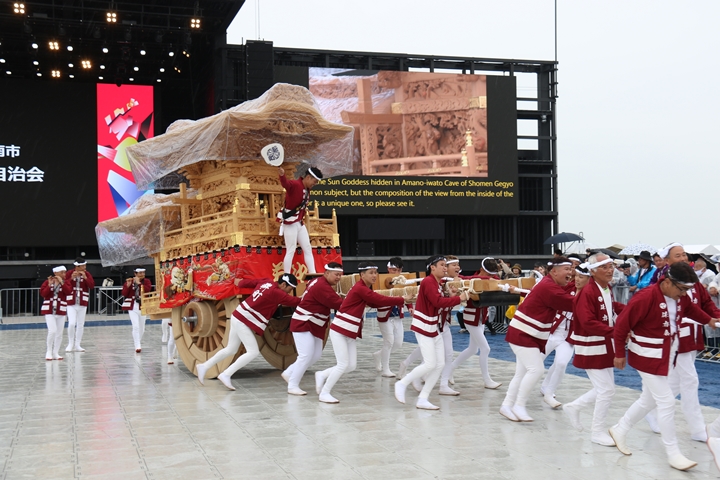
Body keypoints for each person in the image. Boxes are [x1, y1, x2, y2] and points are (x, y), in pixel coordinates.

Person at [609, 262, 719, 471]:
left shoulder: (679, 297)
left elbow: (691, 310)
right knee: (667, 402)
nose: (684, 294)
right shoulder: (645, 297)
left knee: (648, 400)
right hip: (647, 356)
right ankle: (673, 452)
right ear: (667, 282)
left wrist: (709, 321)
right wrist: (619, 354)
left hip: (667, 353)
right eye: (682, 289)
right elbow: (622, 325)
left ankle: (620, 429)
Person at [316, 263, 410, 403]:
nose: (374, 275)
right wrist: (402, 299)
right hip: (340, 329)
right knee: (343, 364)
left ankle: (322, 374)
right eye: (371, 272)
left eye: (375, 272)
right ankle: (324, 393)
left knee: (351, 366)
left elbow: (374, 302)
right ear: (362, 275)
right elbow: (378, 299)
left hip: (349, 331)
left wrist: (398, 299)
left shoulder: (364, 288)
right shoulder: (361, 288)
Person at [500, 257, 575, 422]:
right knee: (536, 370)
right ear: (554, 271)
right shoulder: (549, 287)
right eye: (567, 269)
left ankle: (507, 405)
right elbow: (572, 303)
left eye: (571, 269)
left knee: (521, 373)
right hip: (523, 333)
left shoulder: (549, 284)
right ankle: (519, 405)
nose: (570, 273)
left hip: (528, 332)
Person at [197, 274, 301, 390]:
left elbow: (250, 282)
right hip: (243, 320)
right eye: (290, 288)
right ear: (283, 284)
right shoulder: (277, 293)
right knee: (253, 352)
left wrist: (239, 282)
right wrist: (307, 297)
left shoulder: (266, 281)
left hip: (238, 315)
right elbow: (295, 301)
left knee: (231, 349)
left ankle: (204, 366)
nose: (290, 291)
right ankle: (226, 374)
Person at [563, 254, 625, 446]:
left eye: (611, 266)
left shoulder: (605, 288)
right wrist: (616, 332)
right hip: (591, 344)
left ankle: (574, 407)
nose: (610, 270)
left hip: (603, 342)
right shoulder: (588, 292)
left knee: (606, 388)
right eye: (605, 267)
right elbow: (587, 322)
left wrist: (630, 311)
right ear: (593, 271)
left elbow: (611, 307)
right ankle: (596, 432)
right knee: (606, 390)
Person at [394, 255, 469, 410]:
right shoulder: (428, 282)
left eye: (445, 265)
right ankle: (402, 383)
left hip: (433, 326)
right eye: (442, 265)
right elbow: (437, 302)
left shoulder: (437, 283)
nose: (445, 267)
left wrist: (452, 296)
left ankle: (423, 398)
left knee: (439, 364)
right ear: (432, 268)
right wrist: (458, 298)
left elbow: (439, 304)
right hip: (424, 326)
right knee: (430, 363)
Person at [442, 256, 502, 393]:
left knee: (473, 350)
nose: (490, 276)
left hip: (481, 317)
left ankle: (450, 369)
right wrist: (487, 279)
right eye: (488, 273)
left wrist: (491, 278)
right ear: (481, 269)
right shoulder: (469, 280)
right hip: (471, 318)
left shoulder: (487, 279)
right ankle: (487, 380)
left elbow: (497, 280)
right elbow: (469, 279)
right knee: (485, 349)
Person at [282, 262, 343, 395]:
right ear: (327, 273)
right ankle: (292, 385)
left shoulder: (317, 281)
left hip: (313, 323)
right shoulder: (322, 286)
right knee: (305, 355)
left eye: (340, 275)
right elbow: (338, 303)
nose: (338, 277)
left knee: (315, 355)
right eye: (336, 274)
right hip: (304, 321)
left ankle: (289, 372)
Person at [540, 262, 591, 408]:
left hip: (569, 336)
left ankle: (549, 392)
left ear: (589, 279)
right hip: (552, 331)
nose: (577, 279)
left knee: (561, 363)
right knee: (535, 361)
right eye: (577, 276)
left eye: (581, 277)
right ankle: (518, 388)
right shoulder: (568, 287)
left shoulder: (592, 295)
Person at [277, 166, 322, 276]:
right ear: (308, 177)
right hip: (290, 223)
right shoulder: (295, 184)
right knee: (291, 250)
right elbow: (285, 184)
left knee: (307, 248)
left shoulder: (307, 189)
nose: (315, 184)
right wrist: (282, 175)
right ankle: (286, 276)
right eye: (314, 181)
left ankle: (313, 274)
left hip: (299, 223)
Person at [373, 257, 409, 377]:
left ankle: (379, 355)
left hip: (397, 315)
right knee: (389, 341)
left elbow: (406, 293)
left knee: (398, 343)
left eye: (399, 270)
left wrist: (410, 307)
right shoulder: (379, 280)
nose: (396, 273)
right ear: (388, 269)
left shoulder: (402, 280)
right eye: (394, 270)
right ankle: (386, 369)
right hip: (385, 315)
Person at [40, 266, 71, 361]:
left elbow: (69, 292)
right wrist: (49, 285)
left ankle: (55, 352)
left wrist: (62, 283)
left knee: (59, 333)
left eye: (65, 272)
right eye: (62, 272)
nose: (64, 274)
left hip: (61, 310)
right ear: (56, 273)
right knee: (52, 331)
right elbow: (43, 293)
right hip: (49, 310)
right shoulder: (47, 282)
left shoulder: (66, 282)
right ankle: (48, 351)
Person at [64, 257, 95, 352]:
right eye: (83, 266)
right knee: (71, 323)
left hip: (82, 301)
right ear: (77, 266)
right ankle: (70, 343)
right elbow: (64, 284)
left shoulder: (87, 274)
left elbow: (91, 286)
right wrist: (71, 278)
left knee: (80, 324)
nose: (85, 267)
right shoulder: (69, 273)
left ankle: (77, 344)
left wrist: (85, 278)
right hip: (71, 302)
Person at [122, 267, 153, 353]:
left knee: (142, 327)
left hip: (142, 305)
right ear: (135, 274)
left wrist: (139, 284)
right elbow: (124, 293)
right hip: (132, 306)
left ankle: (138, 341)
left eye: (143, 273)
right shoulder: (130, 281)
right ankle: (137, 345)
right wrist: (127, 286)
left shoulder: (146, 281)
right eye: (140, 273)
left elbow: (148, 289)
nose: (142, 274)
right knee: (135, 326)